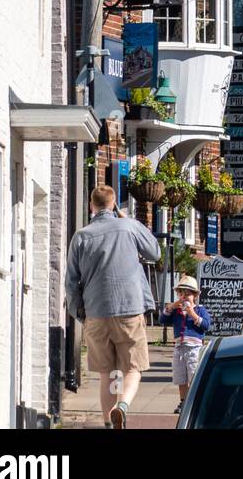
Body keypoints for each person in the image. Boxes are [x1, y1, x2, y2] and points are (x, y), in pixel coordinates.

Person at [65, 184, 160, 429]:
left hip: (96, 311)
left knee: (107, 374)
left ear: (91, 206)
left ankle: (109, 424)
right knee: (133, 368)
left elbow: (71, 282)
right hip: (129, 308)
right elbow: (155, 252)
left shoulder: (81, 236)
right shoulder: (128, 227)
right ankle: (123, 406)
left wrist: (80, 313)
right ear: (114, 203)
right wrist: (132, 222)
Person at [160, 275, 212, 413]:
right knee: (180, 377)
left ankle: (195, 401)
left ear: (194, 295)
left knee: (194, 375)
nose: (184, 297)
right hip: (179, 347)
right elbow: (162, 320)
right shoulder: (176, 311)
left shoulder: (200, 309)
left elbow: (206, 325)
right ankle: (183, 402)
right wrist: (170, 307)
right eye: (181, 294)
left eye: (188, 294)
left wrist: (192, 314)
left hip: (194, 348)